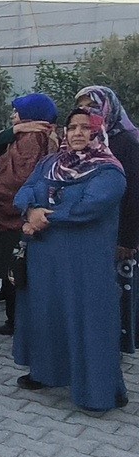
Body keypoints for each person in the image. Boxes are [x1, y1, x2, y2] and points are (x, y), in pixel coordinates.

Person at [12, 108, 128, 411]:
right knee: (47, 315)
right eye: (72, 127)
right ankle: (46, 373)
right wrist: (30, 210)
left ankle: (97, 392)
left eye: (86, 128)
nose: (78, 133)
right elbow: (24, 191)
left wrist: (42, 218)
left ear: (98, 132)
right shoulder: (50, 163)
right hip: (45, 259)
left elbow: (90, 207)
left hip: (84, 262)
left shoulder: (109, 171)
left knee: (87, 321)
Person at [0, 94, 59, 335]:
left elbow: (17, 180)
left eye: (17, 112)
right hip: (19, 216)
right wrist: (17, 128)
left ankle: (16, 321)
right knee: (12, 266)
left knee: (16, 267)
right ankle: (15, 316)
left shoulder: (32, 140)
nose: (13, 116)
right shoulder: (27, 133)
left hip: (18, 216)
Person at [75, 86, 139, 353]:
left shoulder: (127, 142)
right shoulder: (86, 140)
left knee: (117, 292)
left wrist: (127, 239)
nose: (87, 113)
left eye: (93, 106)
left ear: (108, 108)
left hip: (118, 232)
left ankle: (116, 346)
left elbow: (134, 194)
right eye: (82, 107)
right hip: (90, 231)